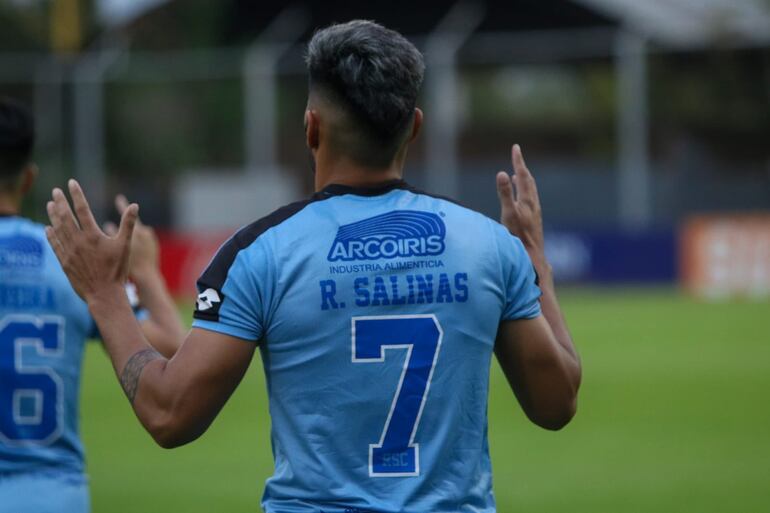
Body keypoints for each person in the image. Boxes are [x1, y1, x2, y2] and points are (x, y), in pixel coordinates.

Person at [45, 20, 581, 513]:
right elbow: (558, 404)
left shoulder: (260, 253)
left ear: (310, 128)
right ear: (415, 127)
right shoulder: (488, 244)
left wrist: (105, 295)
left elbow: (168, 414)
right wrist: (536, 258)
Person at [0, 97, 184, 513]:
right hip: (52, 495)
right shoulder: (66, 262)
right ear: (28, 179)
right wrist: (147, 271)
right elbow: (173, 345)